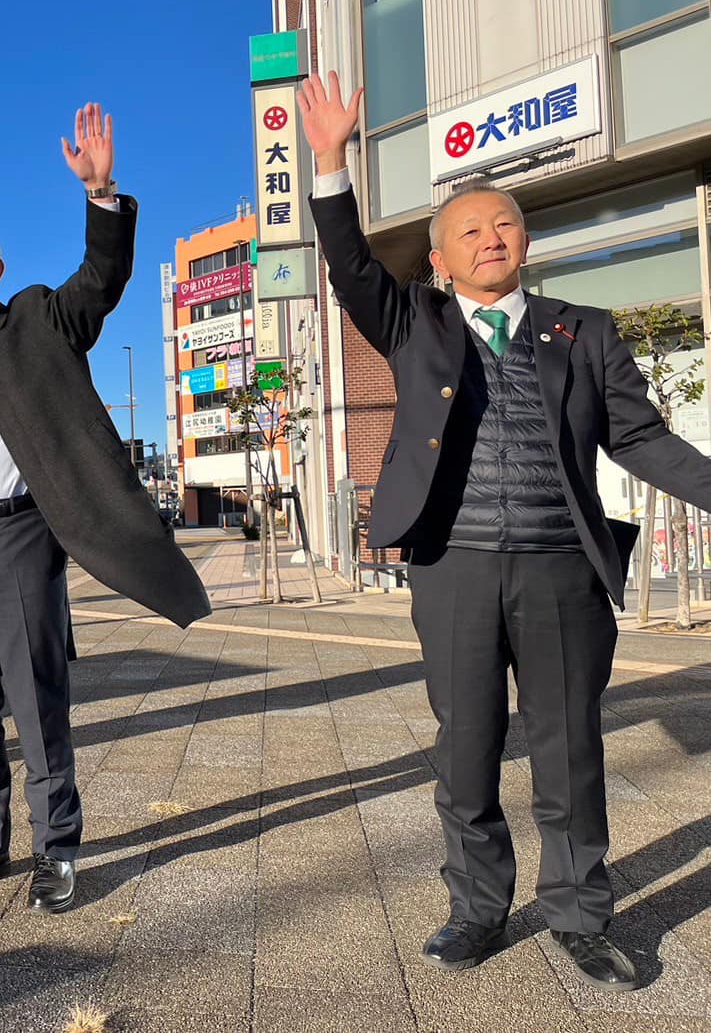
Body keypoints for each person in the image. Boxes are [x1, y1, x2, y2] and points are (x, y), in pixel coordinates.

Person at [298, 72, 711, 991]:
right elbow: (349, 266)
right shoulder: (412, 321)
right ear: (439, 260)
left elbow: (639, 437)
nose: (492, 237)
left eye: (506, 224)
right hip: (453, 568)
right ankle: (477, 909)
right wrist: (328, 164)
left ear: (526, 242)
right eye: (469, 230)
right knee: (466, 748)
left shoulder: (584, 331)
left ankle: (580, 914)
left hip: (563, 568)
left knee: (569, 750)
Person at [0, 103, 211, 914]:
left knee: (35, 695)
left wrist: (101, 195)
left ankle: (56, 846)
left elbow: (100, 283)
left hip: (21, 532)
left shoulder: (34, 321)